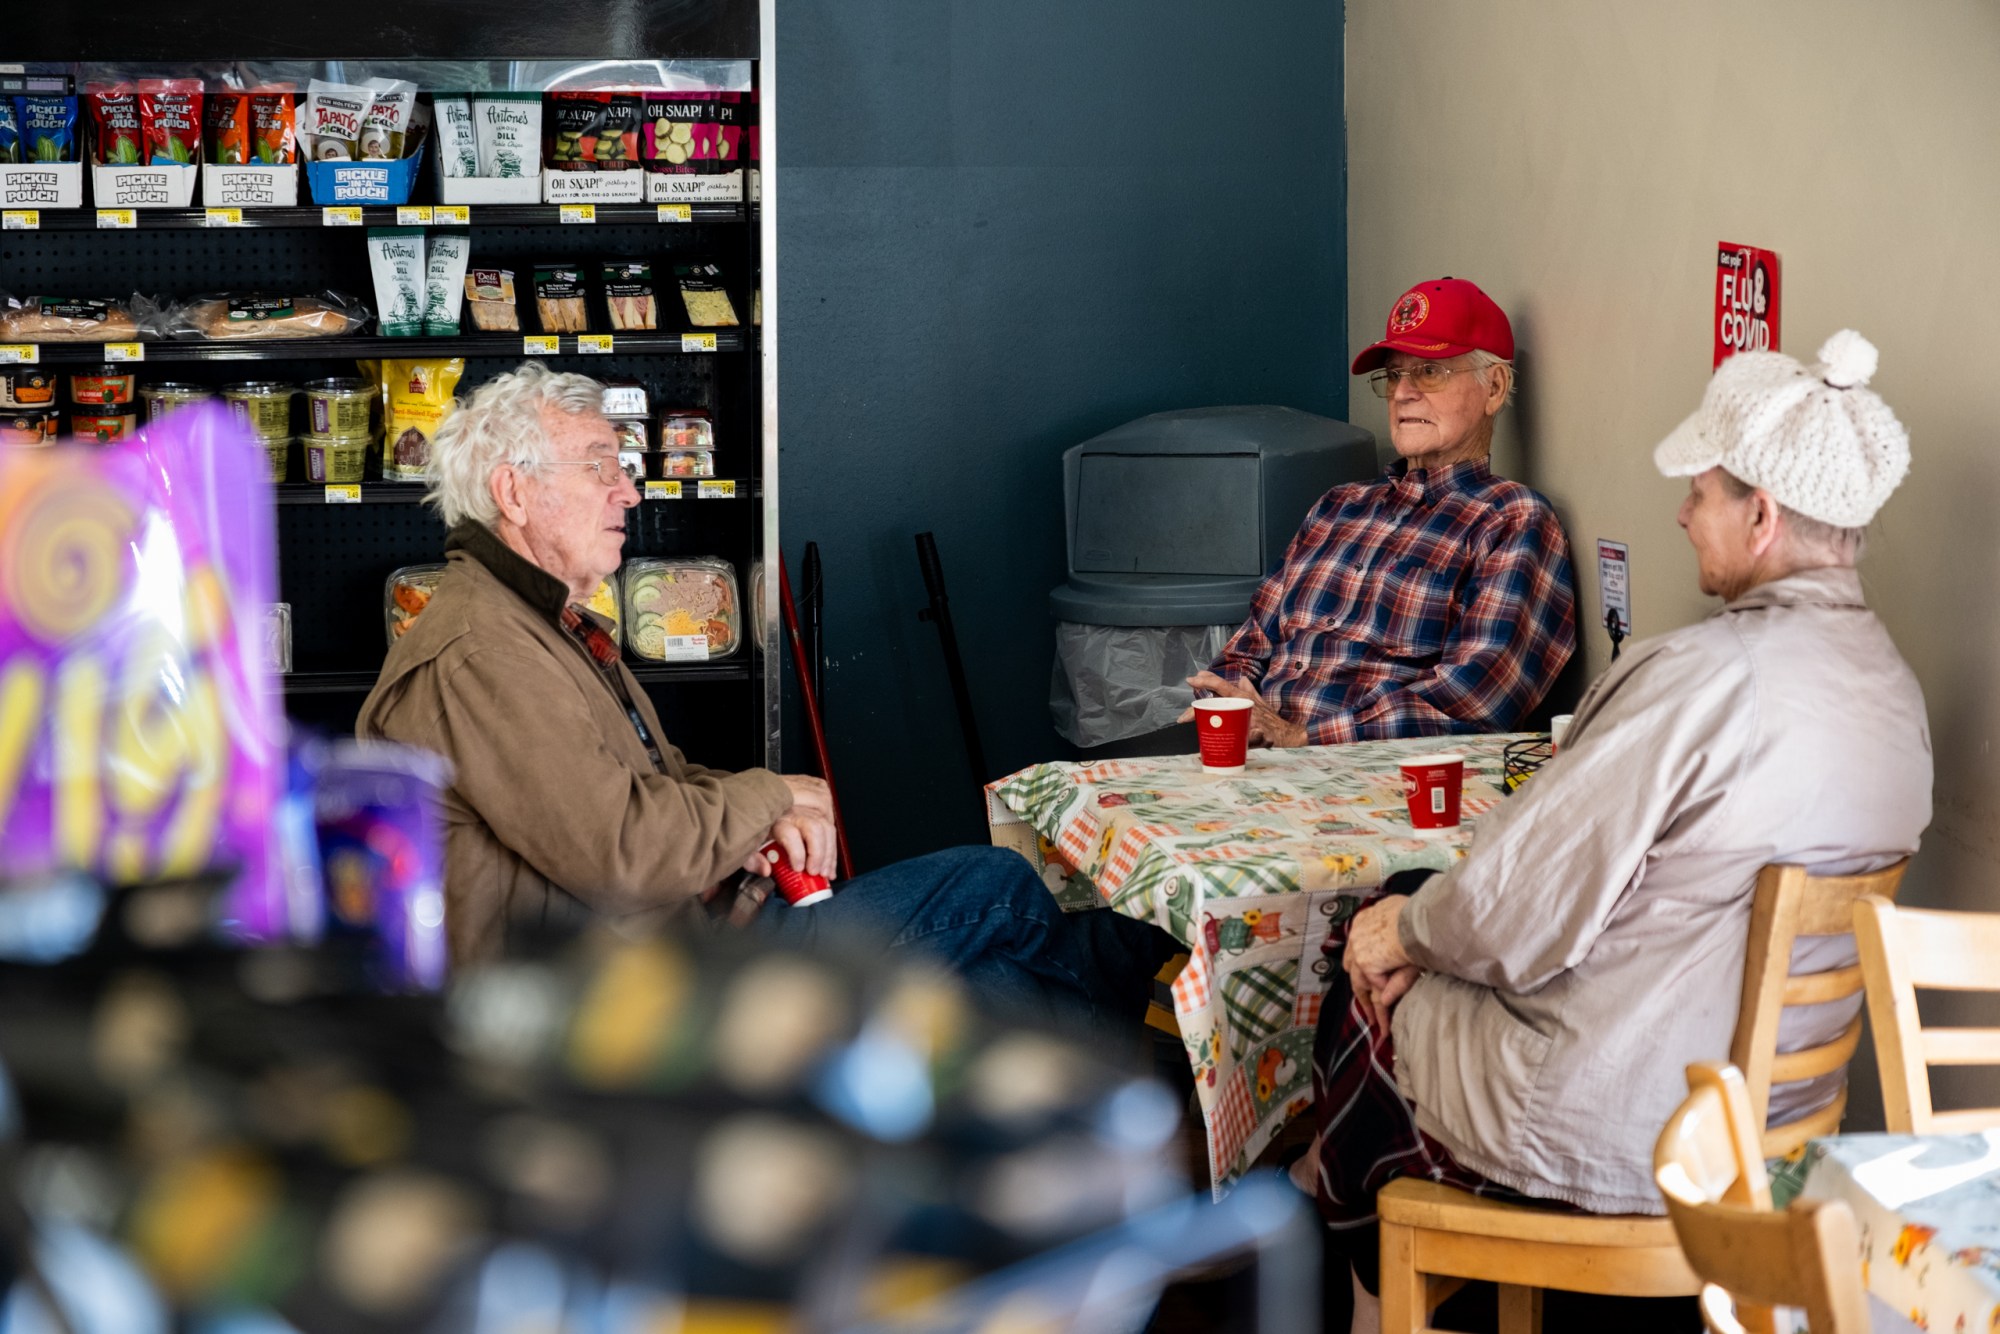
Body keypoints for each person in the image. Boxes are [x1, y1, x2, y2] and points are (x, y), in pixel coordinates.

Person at [1302, 330, 1931, 1329]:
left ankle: (1376, 1285)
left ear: (1759, 514)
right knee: (1415, 917)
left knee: (1375, 941)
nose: (1681, 513)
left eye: (1700, 491)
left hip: (1615, 1120)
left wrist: (1396, 930)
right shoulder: (1896, 697)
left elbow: (1509, 915)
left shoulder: (1699, 675)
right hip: (1764, 1121)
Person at [357, 362, 1176, 1029]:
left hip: (664, 948)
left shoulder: (535, 624)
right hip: (614, 1000)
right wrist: (770, 795)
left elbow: (655, 784)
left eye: (625, 468)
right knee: (995, 891)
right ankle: (1159, 977)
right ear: (514, 492)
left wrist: (750, 819)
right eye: (600, 467)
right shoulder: (484, 654)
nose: (630, 492)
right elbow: (626, 857)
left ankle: (1117, 1054)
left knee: (985, 981)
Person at [1182, 278, 1576, 747]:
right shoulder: (1337, 507)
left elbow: (1475, 700)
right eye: (1393, 376)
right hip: (1256, 753)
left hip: (1371, 777)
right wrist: (1225, 698)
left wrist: (1301, 736)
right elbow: (1250, 645)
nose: (1403, 393)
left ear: (1493, 387)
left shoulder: (1512, 519)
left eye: (1429, 372)